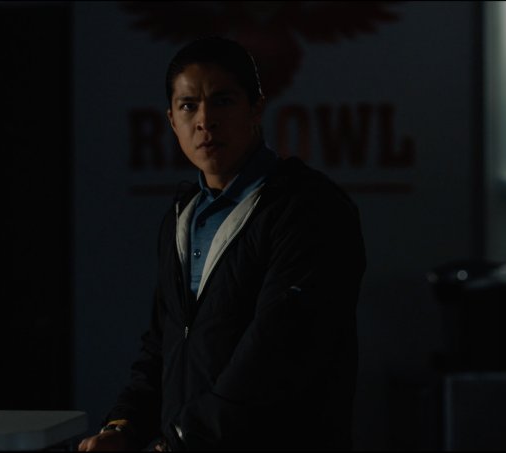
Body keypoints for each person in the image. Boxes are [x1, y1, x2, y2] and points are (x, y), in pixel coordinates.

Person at [78, 36, 365, 451]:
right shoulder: (182, 217)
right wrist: (122, 428)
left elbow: (277, 352)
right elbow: (161, 347)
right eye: (188, 105)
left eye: (223, 101)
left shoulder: (309, 208)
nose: (205, 120)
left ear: (256, 107)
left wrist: (179, 440)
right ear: (171, 120)